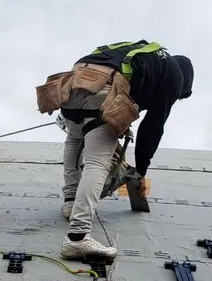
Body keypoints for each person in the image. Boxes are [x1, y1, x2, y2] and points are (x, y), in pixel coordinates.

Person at [37, 40, 194, 260]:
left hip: (71, 85)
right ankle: (77, 237)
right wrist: (141, 171)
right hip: (103, 92)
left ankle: (70, 203)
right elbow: (153, 127)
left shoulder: (146, 54)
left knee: (74, 138)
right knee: (97, 162)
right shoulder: (175, 74)